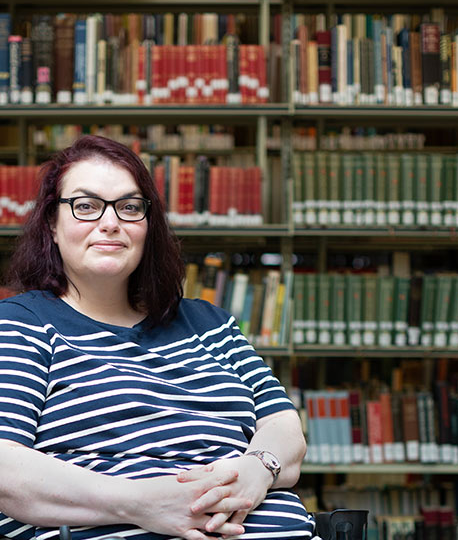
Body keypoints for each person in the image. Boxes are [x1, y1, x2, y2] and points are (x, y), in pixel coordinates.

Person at [0, 135, 318, 540]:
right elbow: (4, 469)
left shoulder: (209, 324)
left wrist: (257, 468)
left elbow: (284, 428)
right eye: (86, 206)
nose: (110, 222)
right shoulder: (19, 325)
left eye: (130, 207)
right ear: (52, 225)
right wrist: (140, 502)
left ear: (148, 225)